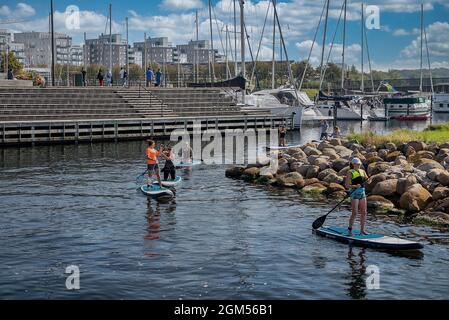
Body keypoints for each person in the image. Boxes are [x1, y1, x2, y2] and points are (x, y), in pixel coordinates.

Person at [345, 157, 369, 236]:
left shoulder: (363, 171)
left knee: (364, 212)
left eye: (359, 164)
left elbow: (367, 180)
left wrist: (369, 180)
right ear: (353, 164)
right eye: (356, 164)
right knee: (354, 212)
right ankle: (350, 229)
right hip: (354, 193)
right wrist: (355, 186)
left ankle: (362, 230)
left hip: (362, 193)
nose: (358, 165)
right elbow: (347, 185)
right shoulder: (350, 172)